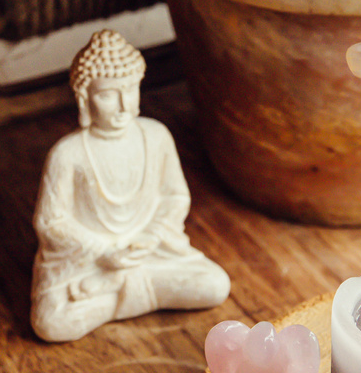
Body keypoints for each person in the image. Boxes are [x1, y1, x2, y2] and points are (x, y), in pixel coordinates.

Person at [31, 31, 229, 342]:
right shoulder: (67, 153)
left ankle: (116, 291)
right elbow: (50, 222)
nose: (124, 105)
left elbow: (175, 197)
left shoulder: (156, 135)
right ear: (84, 98)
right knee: (51, 323)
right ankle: (132, 289)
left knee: (216, 285)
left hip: (149, 252)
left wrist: (149, 239)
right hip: (89, 260)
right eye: (109, 94)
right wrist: (105, 251)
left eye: (130, 89)